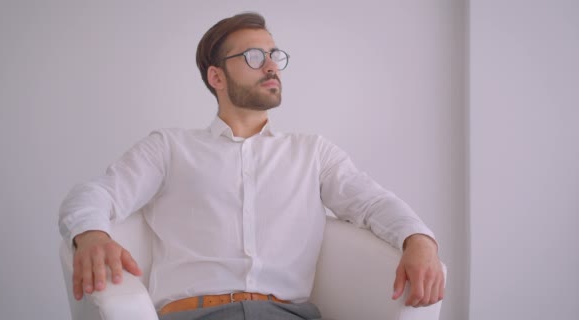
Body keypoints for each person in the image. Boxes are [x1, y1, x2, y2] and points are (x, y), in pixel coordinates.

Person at [59, 12, 445, 320]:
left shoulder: (313, 152)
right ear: (217, 76)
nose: (272, 66)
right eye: (255, 57)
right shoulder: (169, 148)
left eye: (275, 55)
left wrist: (419, 240)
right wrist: (92, 235)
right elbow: (94, 194)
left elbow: (373, 203)